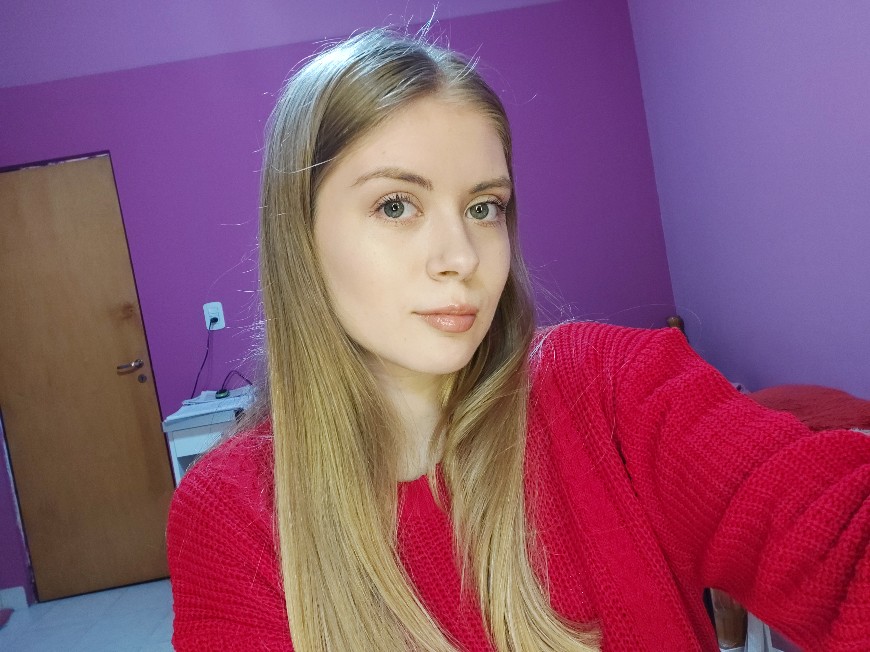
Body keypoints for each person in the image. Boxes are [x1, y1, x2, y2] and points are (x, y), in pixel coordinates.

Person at [166, 29, 870, 651]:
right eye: (396, 205)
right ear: (300, 235)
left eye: (484, 207)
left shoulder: (613, 388)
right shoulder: (234, 514)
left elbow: (835, 540)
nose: (461, 256)